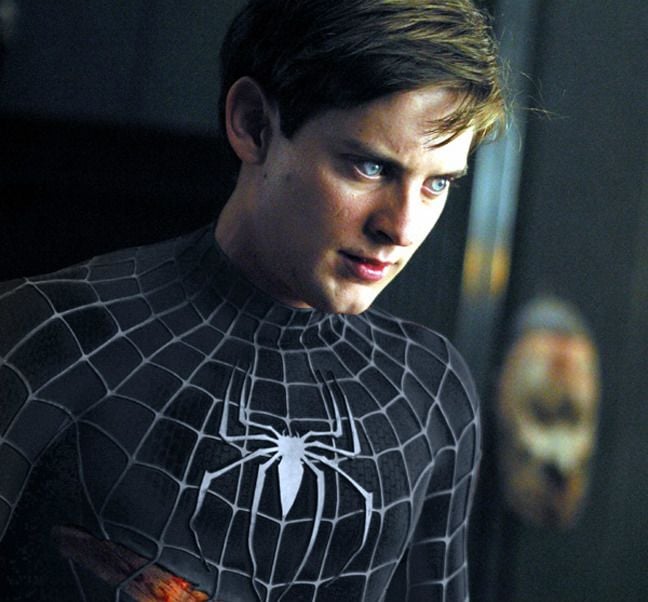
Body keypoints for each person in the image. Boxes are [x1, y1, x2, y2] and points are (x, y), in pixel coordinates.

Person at [0, 0, 504, 600]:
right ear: (253, 125)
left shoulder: (432, 388)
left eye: (437, 183)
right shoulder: (49, 334)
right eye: (369, 168)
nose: (401, 227)